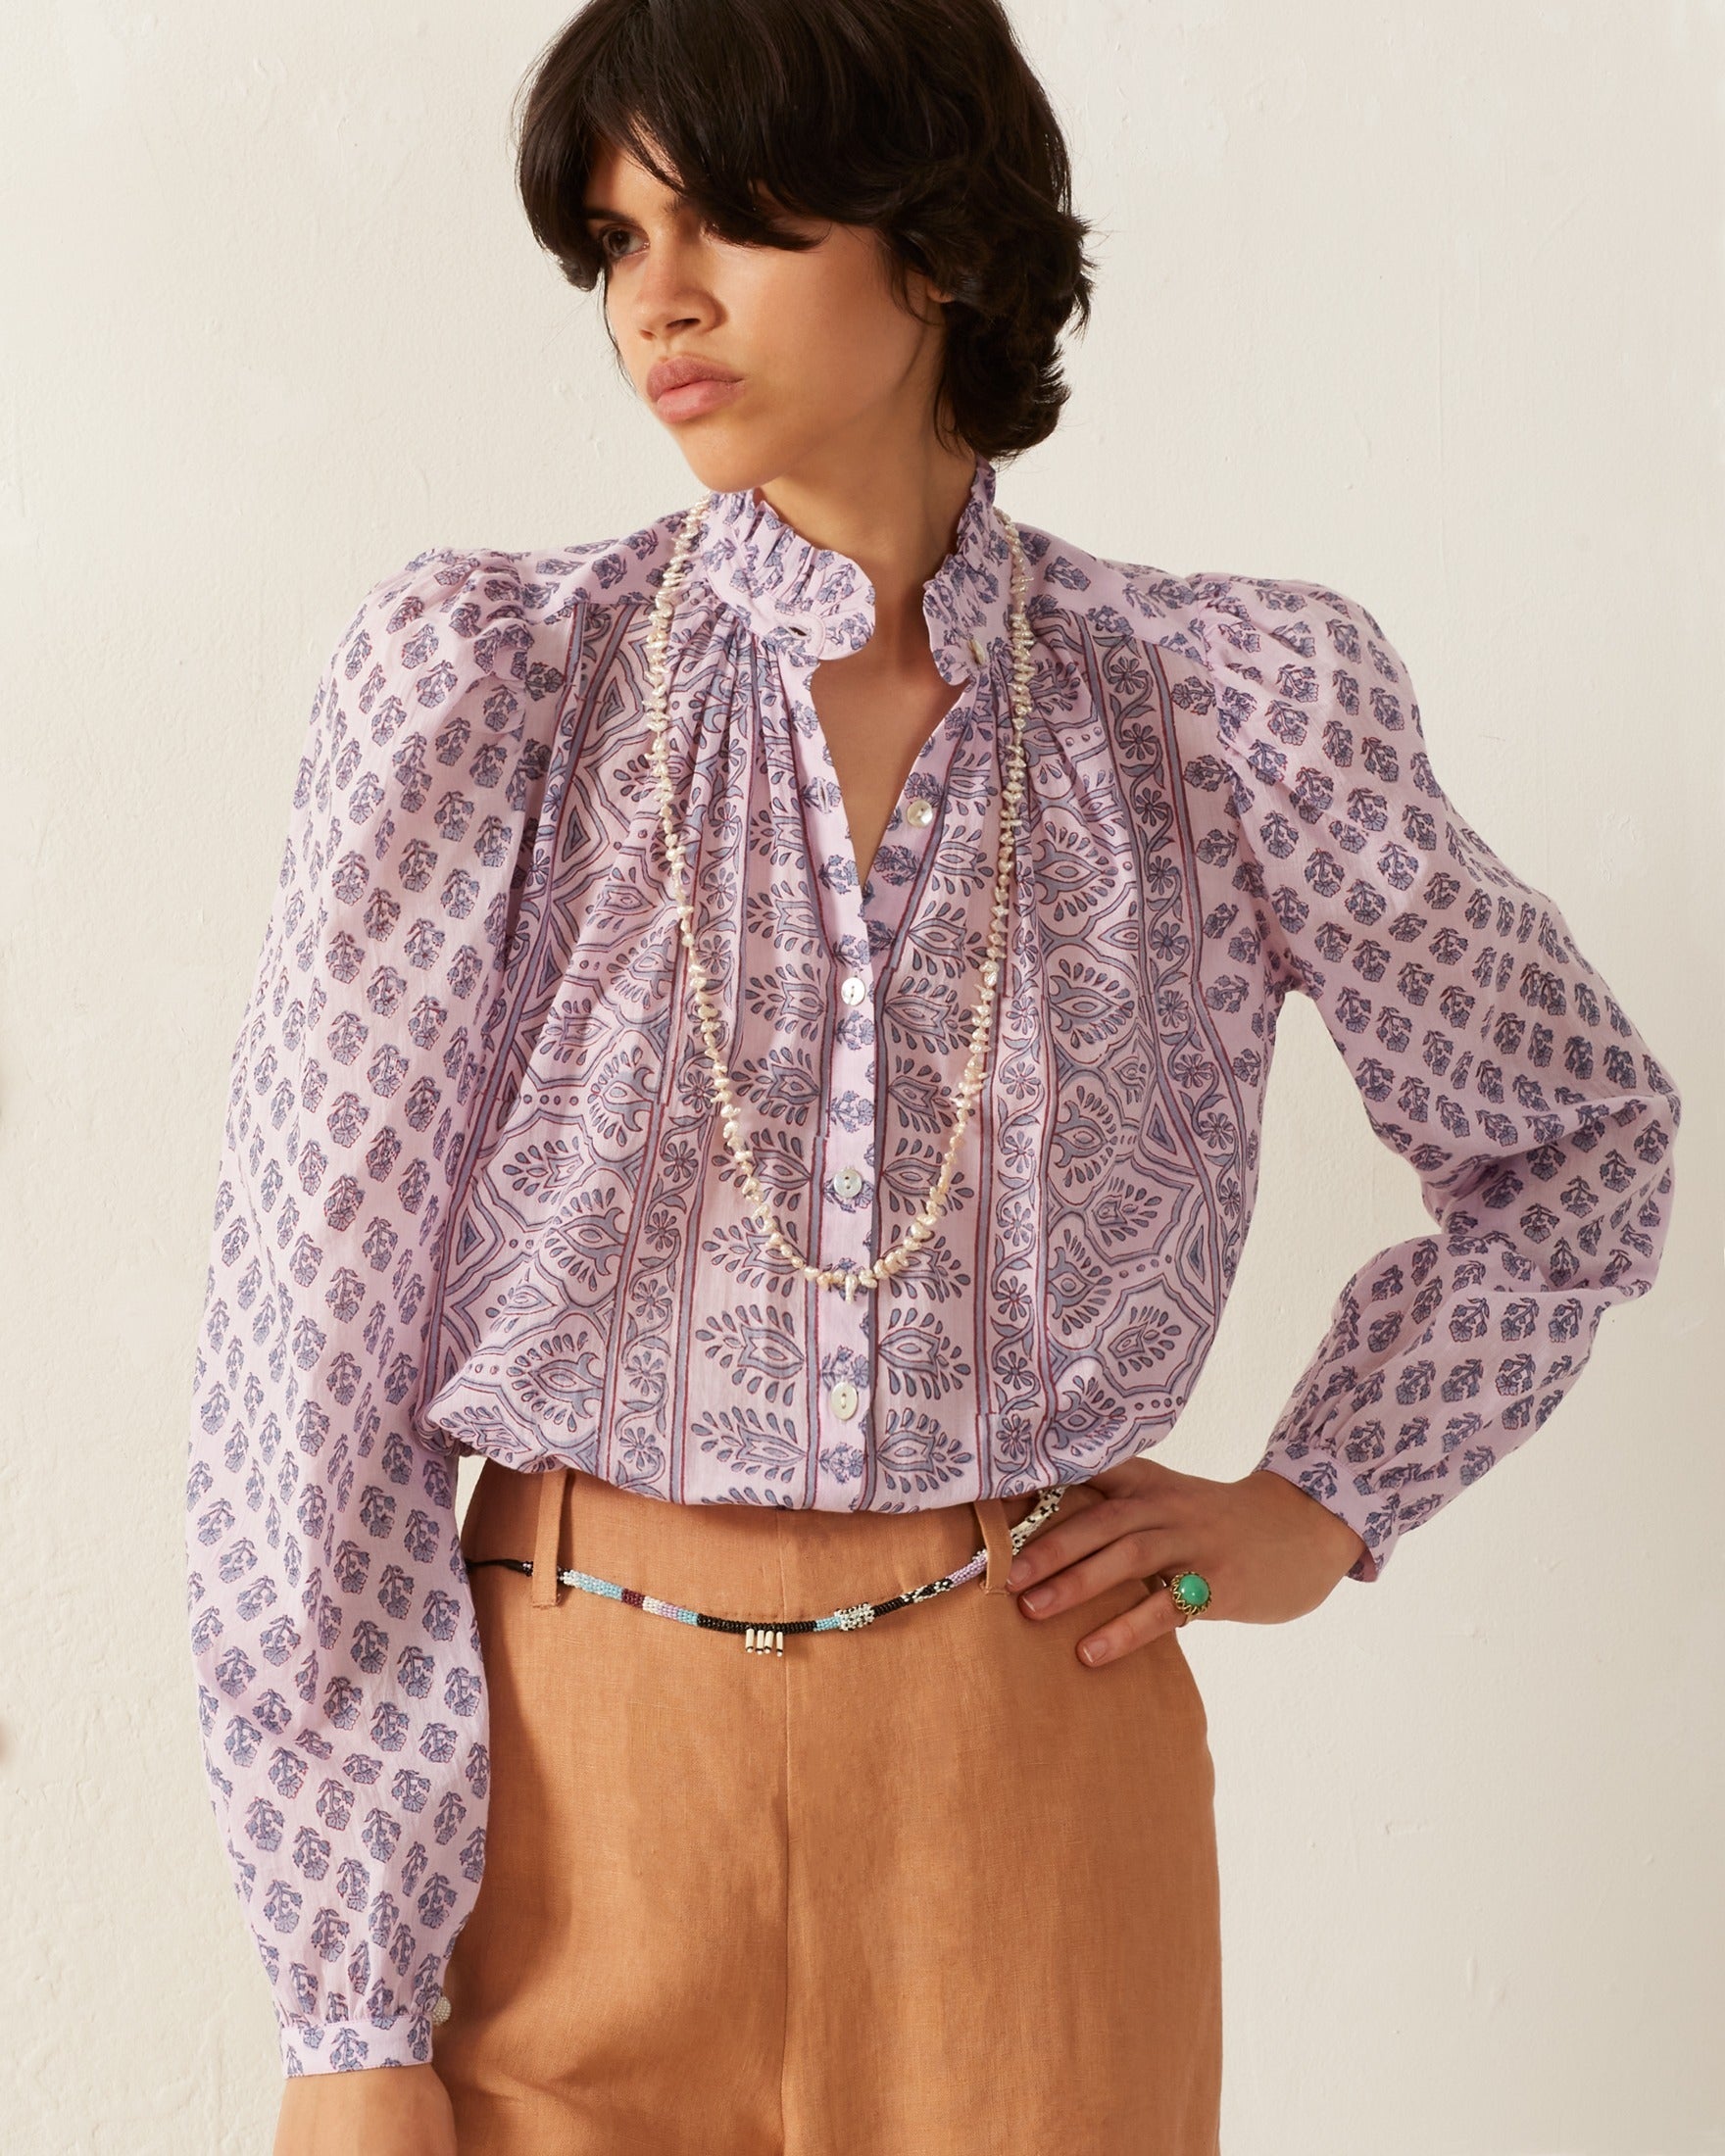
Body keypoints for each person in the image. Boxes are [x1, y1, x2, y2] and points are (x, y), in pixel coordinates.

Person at [181, 2, 1683, 2151]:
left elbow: (1572, 1137)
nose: (657, 300)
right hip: (560, 1771)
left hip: (1032, 1762)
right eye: (612, 241)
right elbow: (299, 1364)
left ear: (945, 243)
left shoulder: (1226, 706)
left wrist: (1320, 1497)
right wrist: (348, 2007)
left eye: (733, 223)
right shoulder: (490, 689)